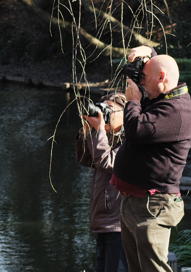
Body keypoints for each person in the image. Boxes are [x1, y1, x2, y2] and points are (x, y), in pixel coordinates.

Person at [110, 55, 191, 272]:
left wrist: (132, 101)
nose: (140, 83)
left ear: (161, 78)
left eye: (144, 78)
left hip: (153, 206)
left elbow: (135, 131)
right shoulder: (161, 97)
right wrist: (147, 51)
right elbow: (157, 66)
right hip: (135, 201)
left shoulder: (177, 110)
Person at [76, 92, 129, 272]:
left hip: (119, 222)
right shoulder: (108, 137)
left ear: (125, 114)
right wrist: (87, 131)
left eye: (109, 110)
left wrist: (99, 131)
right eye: (103, 108)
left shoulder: (130, 141)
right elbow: (85, 159)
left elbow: (107, 163)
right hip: (104, 219)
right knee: (102, 266)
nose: (104, 114)